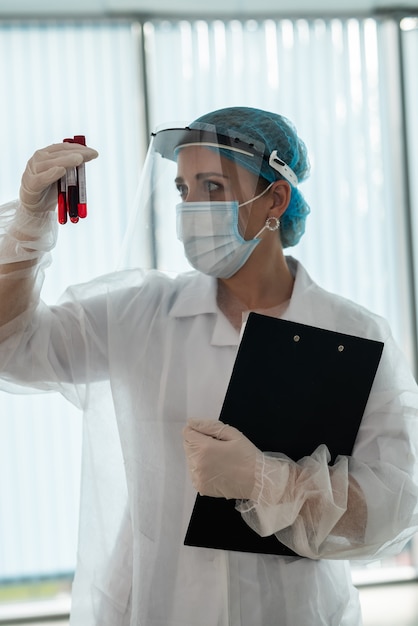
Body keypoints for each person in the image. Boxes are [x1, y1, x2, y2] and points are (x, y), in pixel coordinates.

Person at [0, 106, 418, 626]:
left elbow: (392, 507)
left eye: (213, 187)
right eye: (183, 190)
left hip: (290, 613)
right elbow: (12, 345)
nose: (192, 207)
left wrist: (268, 481)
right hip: (155, 605)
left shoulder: (351, 333)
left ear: (275, 198)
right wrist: (26, 226)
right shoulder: (140, 313)